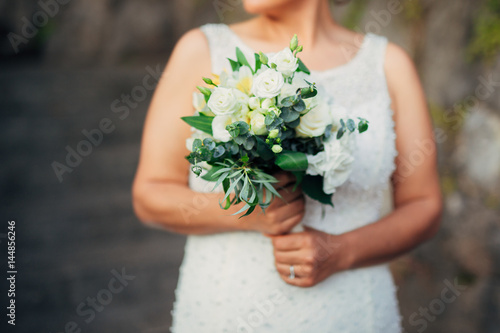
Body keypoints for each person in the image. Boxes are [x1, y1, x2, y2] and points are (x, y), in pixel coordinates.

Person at [132, 0, 442, 331]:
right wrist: (241, 212)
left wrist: (341, 251)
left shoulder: (388, 65)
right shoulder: (201, 50)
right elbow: (149, 194)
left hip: (354, 311)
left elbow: (424, 204)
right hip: (228, 313)